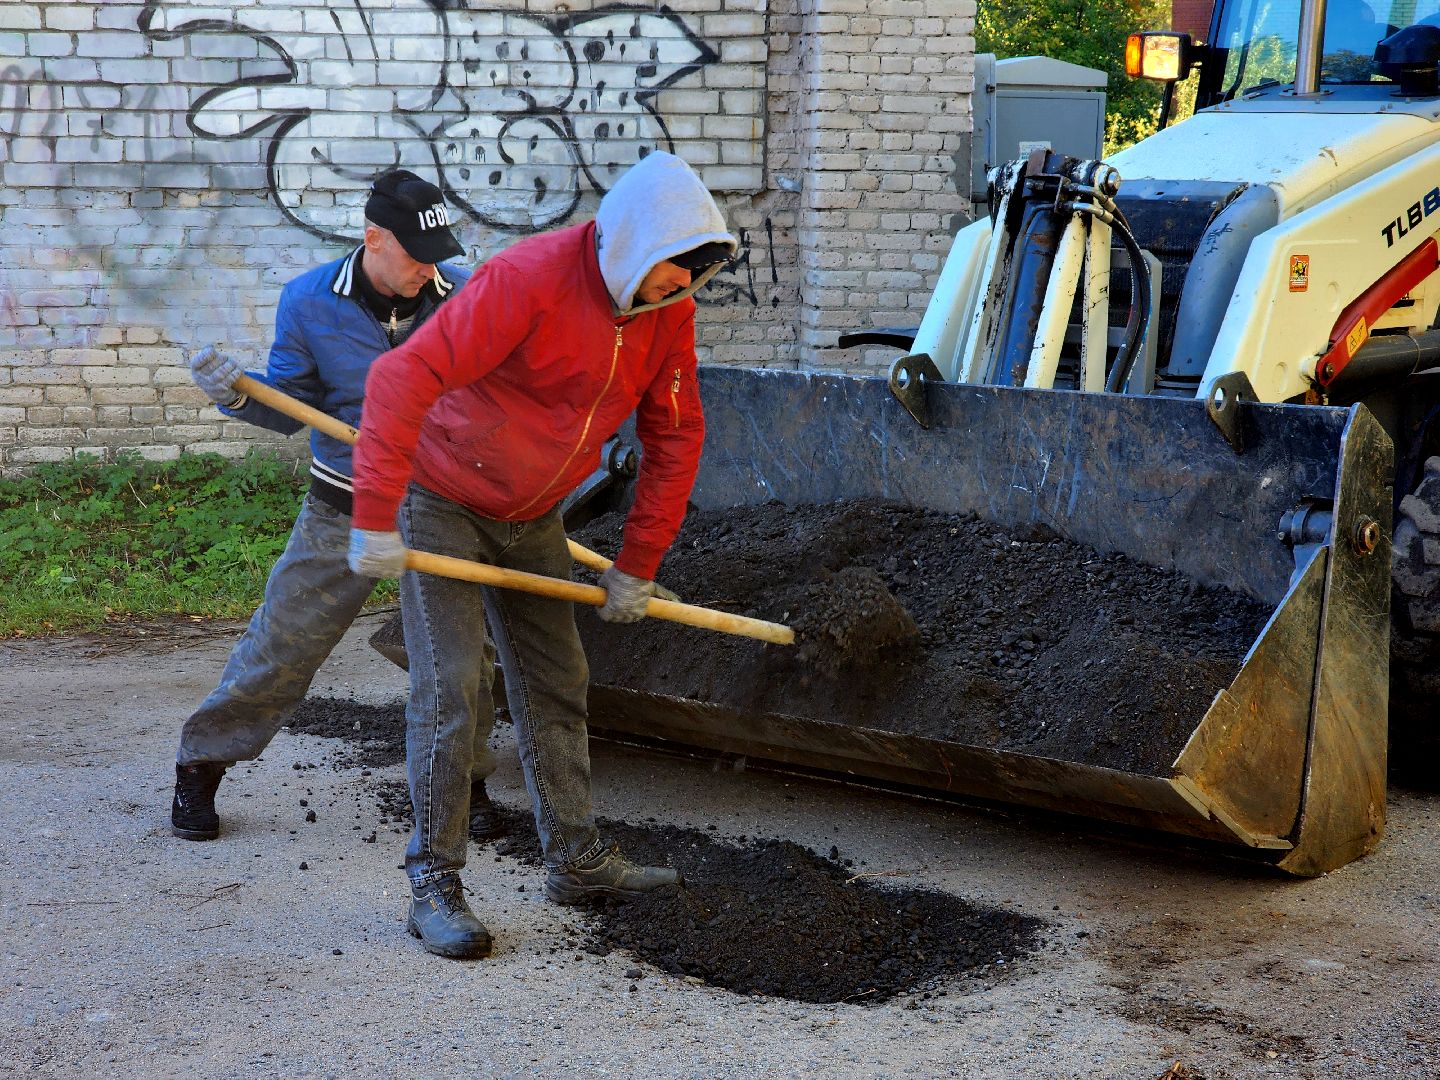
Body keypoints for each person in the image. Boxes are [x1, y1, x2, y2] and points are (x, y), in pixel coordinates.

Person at [348, 150, 736, 960]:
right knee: (454, 689)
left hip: (534, 514)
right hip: (444, 498)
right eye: (673, 270)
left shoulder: (668, 310)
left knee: (557, 681)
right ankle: (435, 882)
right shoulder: (526, 279)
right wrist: (377, 516)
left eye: (695, 276)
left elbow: (675, 435)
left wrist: (638, 559)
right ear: (631, 242)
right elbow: (399, 379)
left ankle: (577, 859)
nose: (682, 288)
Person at [171, 170, 506, 844]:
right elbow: (291, 410)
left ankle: (463, 785)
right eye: (413, 253)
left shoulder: (465, 299)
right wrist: (237, 395)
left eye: (435, 253)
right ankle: (200, 763)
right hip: (344, 501)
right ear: (372, 237)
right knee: (283, 643)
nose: (426, 269)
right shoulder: (310, 301)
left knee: (461, 661)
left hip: (441, 505)